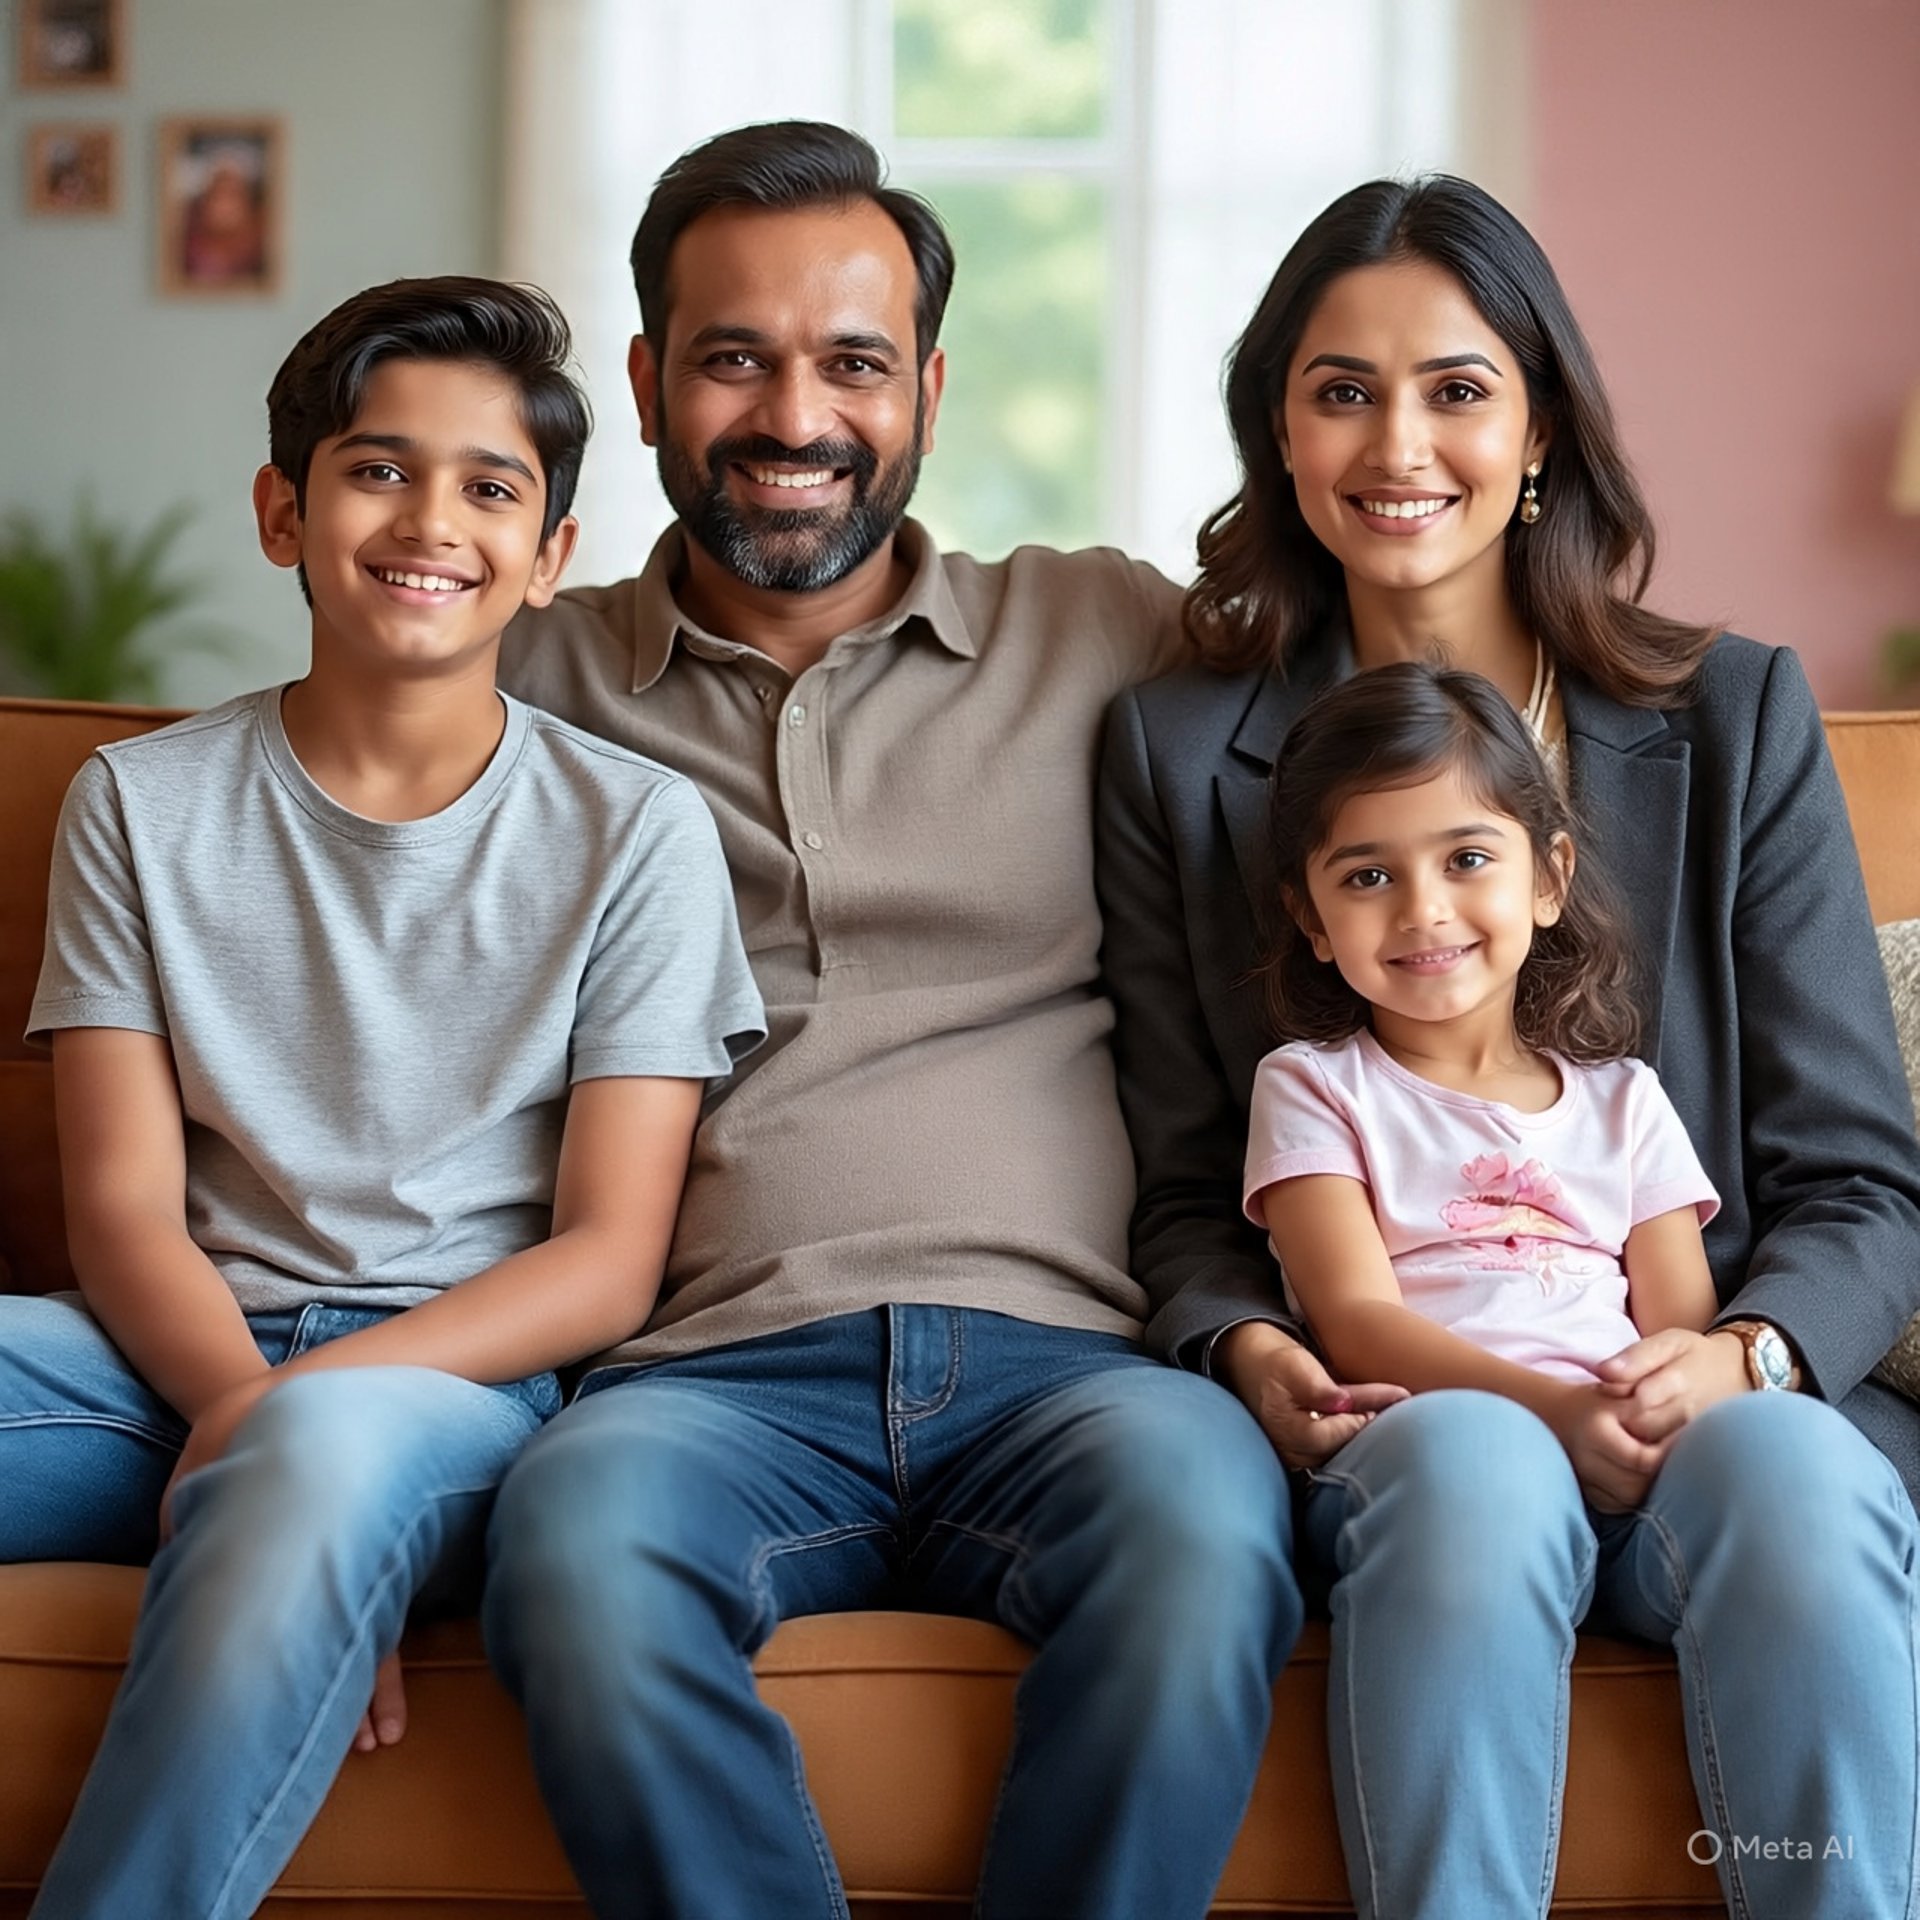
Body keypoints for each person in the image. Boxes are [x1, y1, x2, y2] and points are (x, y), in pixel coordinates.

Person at [484, 120, 1297, 1920]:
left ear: (926, 387)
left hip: (1078, 1367)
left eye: (853, 362)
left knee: (1206, 1538)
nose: (796, 415)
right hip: (696, 1380)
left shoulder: (1106, 632)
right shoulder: (517, 685)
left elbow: (1408, 717)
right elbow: (275, 811)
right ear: (642, 381)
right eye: (733, 358)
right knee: (574, 1552)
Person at [1098, 174, 1920, 1920]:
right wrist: (1252, 1355)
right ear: (1281, 434)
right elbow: (1182, 1186)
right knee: (1468, 1478)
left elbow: (1858, 1178)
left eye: (1458, 387)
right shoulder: (1175, 753)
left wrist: (1747, 1359)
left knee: (1795, 1472)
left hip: (1704, 1396)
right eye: (1340, 390)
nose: (1399, 442)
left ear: (1540, 423)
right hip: (1410, 1417)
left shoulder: (1731, 714)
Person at [5, 276, 764, 1919]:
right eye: (378, 469)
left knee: (324, 1450)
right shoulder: (135, 803)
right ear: (284, 511)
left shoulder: (638, 835)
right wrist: (244, 1414)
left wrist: (298, 1431)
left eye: (492, 487)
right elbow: (124, 1208)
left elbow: (605, 1259)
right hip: (175, 1354)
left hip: (460, 1382)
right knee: (285, 1447)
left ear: (552, 552)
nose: (432, 519)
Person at [1246, 662, 1721, 1465]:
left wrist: (1638, 1423)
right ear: (1312, 919)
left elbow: (1684, 1329)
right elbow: (1355, 1324)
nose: (1423, 909)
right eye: (1369, 877)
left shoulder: (1626, 1103)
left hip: (1626, 1442)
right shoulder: (1312, 1088)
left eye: (1466, 859)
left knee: (1790, 1452)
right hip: (1433, 1450)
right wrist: (1560, 1416)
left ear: (1548, 877)